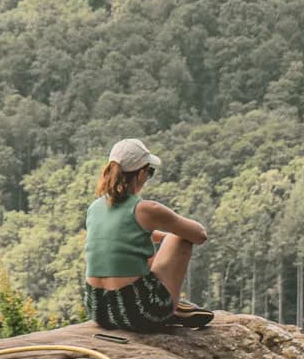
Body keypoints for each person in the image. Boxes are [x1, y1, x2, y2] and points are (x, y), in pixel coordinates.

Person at [84, 138, 213, 330]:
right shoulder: (147, 209)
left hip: (98, 310)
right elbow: (199, 235)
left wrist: (157, 234)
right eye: (150, 172)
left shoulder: (95, 207)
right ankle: (171, 305)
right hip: (140, 312)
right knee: (180, 238)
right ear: (142, 173)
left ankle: (166, 300)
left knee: (145, 247)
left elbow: (121, 237)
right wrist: (170, 236)